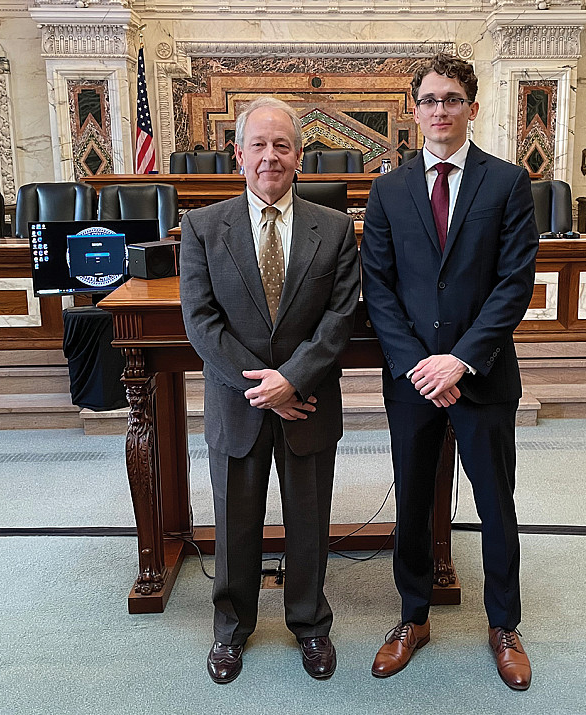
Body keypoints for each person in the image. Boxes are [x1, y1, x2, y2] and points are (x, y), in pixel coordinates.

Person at [361, 53, 540, 691]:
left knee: (496, 505)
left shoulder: (507, 182)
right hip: (413, 381)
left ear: (471, 106)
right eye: (430, 99)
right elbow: (377, 287)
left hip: (481, 374)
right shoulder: (388, 189)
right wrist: (419, 365)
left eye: (452, 99)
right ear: (414, 110)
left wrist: (460, 359)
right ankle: (412, 617)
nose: (440, 110)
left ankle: (504, 624)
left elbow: (513, 283)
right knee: (411, 502)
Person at [179, 97, 360, 684]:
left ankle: (310, 625)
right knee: (234, 525)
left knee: (310, 522)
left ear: (299, 155)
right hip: (239, 404)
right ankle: (231, 631)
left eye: (282, 145)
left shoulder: (333, 229)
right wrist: (266, 388)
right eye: (258, 145)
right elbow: (202, 324)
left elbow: (340, 319)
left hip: (308, 401)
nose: (270, 156)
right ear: (238, 155)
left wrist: (293, 380)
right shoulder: (204, 227)